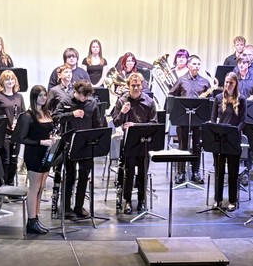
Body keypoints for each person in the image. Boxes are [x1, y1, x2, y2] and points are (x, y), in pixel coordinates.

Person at [53, 80, 106, 219]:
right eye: (81, 95)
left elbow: (96, 123)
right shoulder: (66, 101)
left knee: (84, 177)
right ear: (75, 91)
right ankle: (65, 208)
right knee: (70, 177)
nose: (83, 98)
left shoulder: (92, 103)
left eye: (86, 96)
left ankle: (79, 206)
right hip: (70, 144)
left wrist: (97, 138)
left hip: (87, 144)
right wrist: (72, 114)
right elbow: (55, 117)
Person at [111, 72, 157, 214]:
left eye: (138, 85)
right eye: (133, 85)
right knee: (128, 173)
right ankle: (128, 201)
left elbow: (154, 123)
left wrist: (135, 125)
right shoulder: (122, 101)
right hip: (129, 142)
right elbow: (116, 122)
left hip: (144, 143)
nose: (136, 88)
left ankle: (142, 201)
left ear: (142, 85)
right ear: (128, 86)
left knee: (143, 173)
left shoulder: (149, 101)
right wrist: (123, 112)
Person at [15, 85, 55, 234]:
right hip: (34, 154)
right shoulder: (28, 116)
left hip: (46, 153)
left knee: (41, 187)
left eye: (45, 95)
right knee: (34, 187)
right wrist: (40, 142)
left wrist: (51, 139)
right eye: (40, 96)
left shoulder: (47, 113)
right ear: (34, 97)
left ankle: (36, 218)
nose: (44, 98)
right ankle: (31, 221)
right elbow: (21, 138)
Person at [169, 54, 212, 185]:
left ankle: (195, 172)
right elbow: (171, 95)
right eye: (194, 64)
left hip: (199, 120)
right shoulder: (181, 80)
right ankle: (181, 173)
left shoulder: (205, 82)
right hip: (183, 119)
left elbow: (211, 100)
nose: (196, 66)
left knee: (197, 146)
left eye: (198, 64)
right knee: (182, 146)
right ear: (188, 65)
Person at [210, 72, 245, 211]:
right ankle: (217, 200)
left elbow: (243, 121)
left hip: (233, 140)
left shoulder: (241, 99)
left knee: (232, 172)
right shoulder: (218, 98)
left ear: (236, 84)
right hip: (219, 140)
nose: (228, 85)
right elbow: (213, 118)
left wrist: (235, 132)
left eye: (231, 82)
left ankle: (232, 201)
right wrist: (215, 130)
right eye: (226, 82)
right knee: (219, 172)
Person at [0, 70, 25, 182]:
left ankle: (10, 186)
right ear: (2, 82)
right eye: (7, 79)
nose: (10, 81)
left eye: (12, 79)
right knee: (5, 160)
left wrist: (19, 123)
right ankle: (2, 187)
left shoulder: (19, 96)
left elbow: (23, 113)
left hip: (16, 133)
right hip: (3, 133)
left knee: (14, 161)